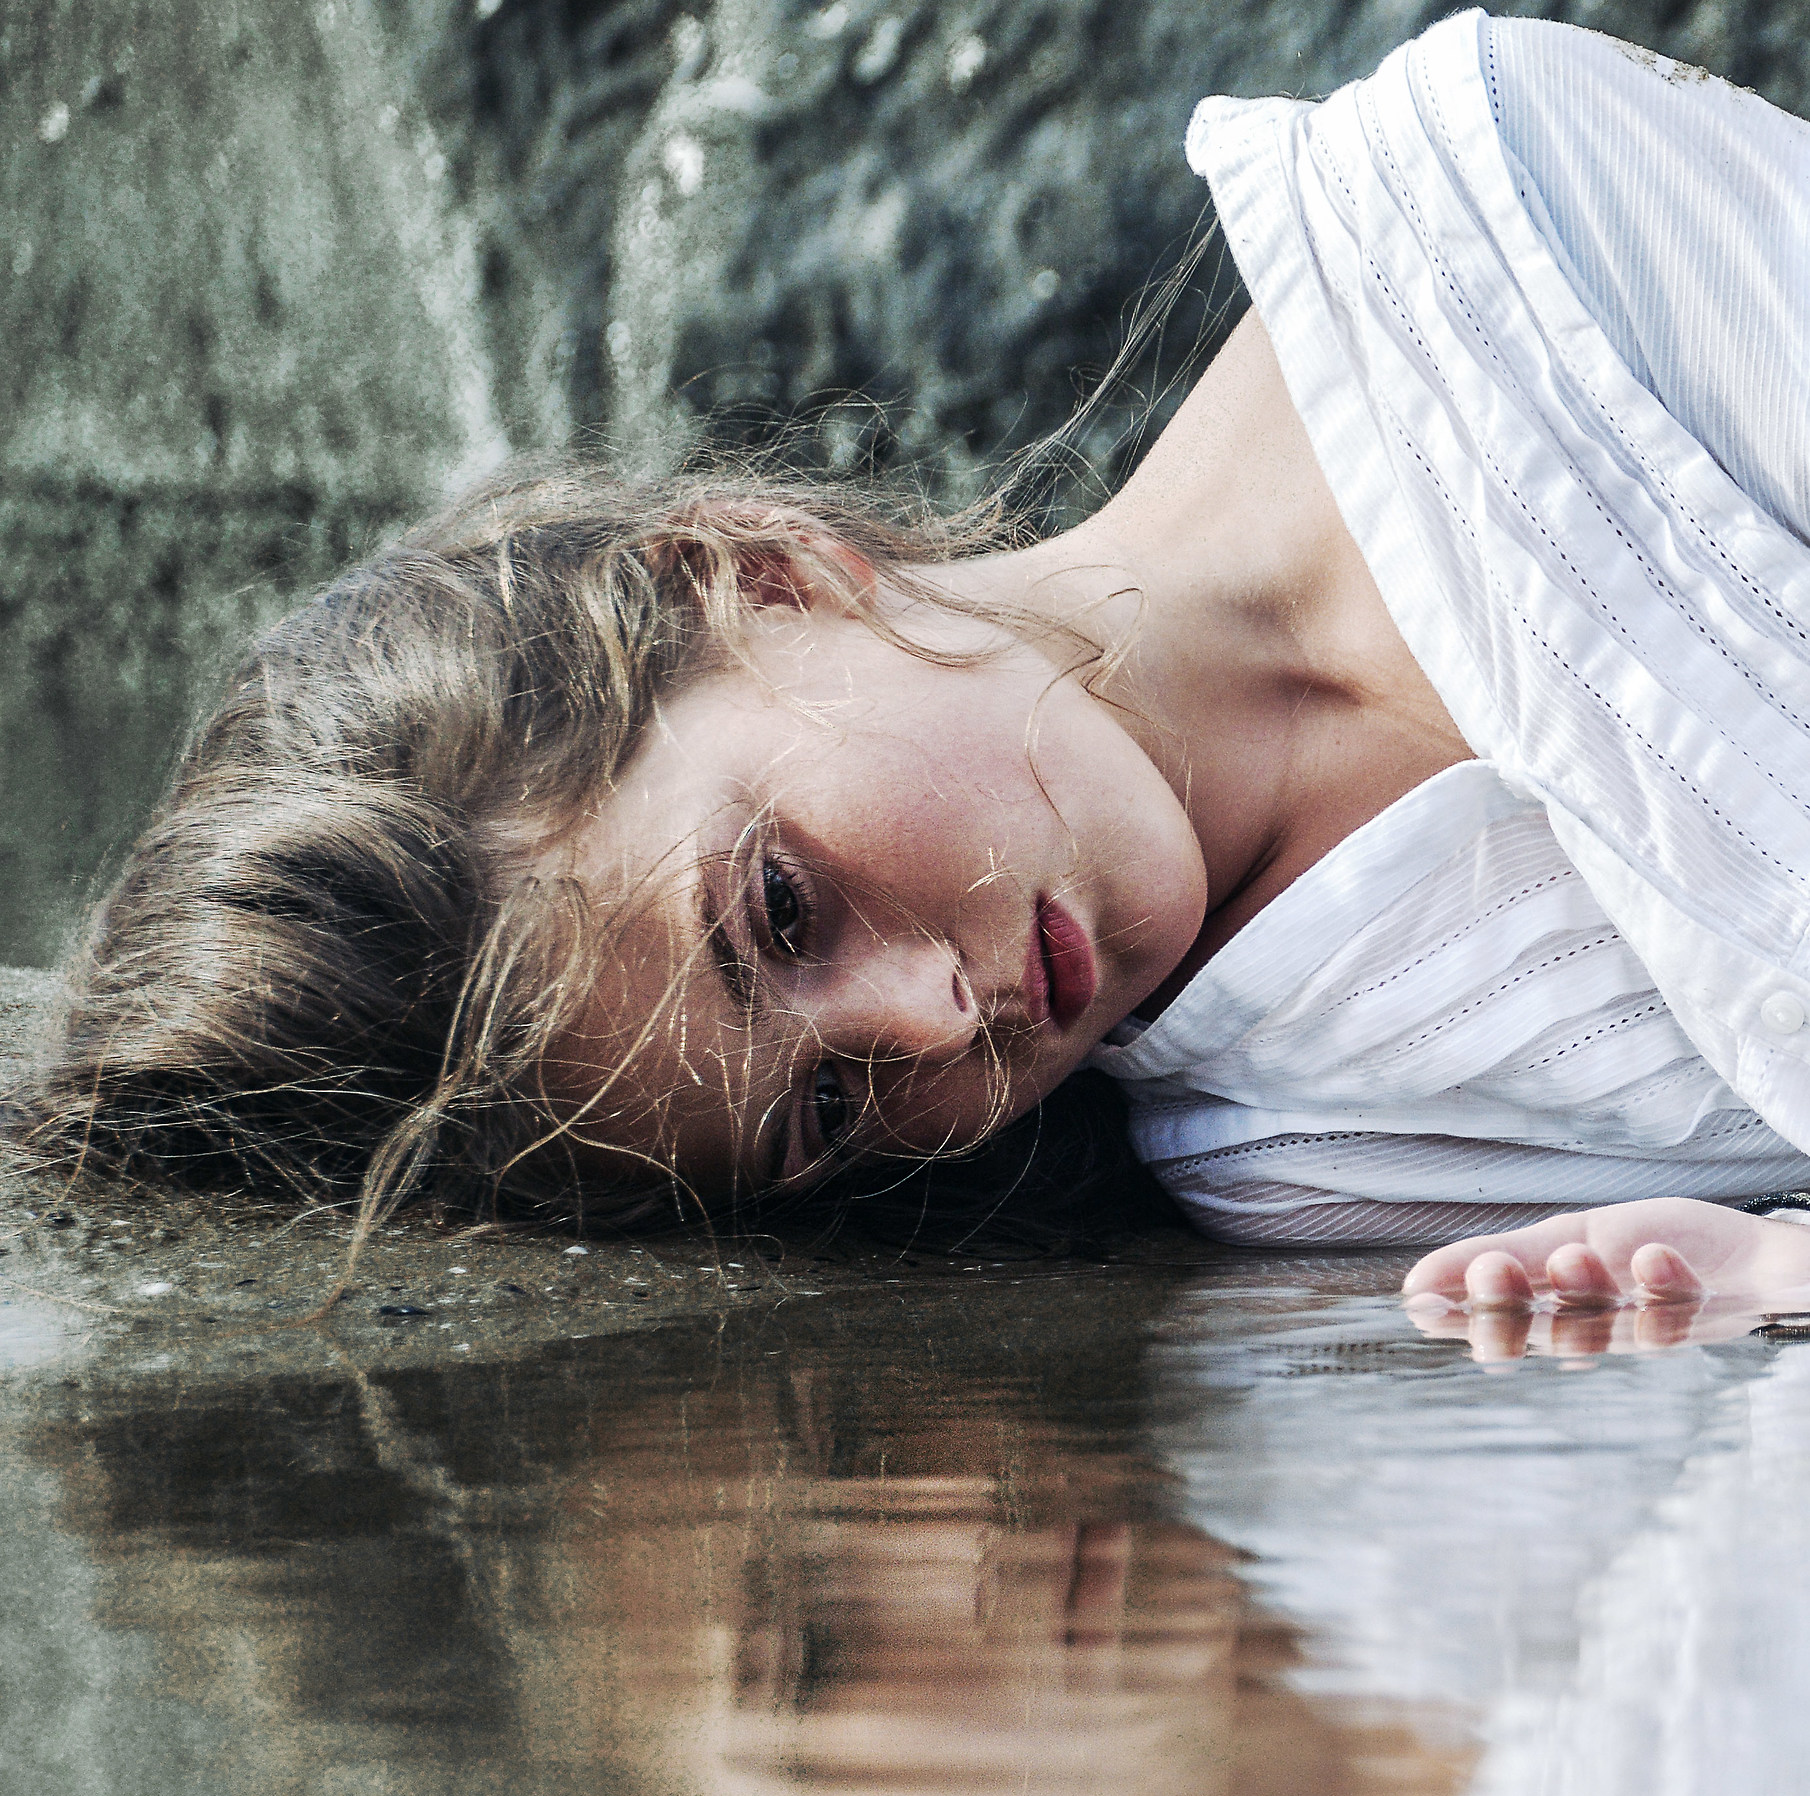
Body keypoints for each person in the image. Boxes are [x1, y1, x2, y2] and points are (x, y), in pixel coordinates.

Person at [24, 11, 1810, 1313]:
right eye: (820, 1114)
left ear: (757, 574)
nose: (935, 1029)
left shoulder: (1505, 234)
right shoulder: (1298, 1157)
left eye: (782, 911)